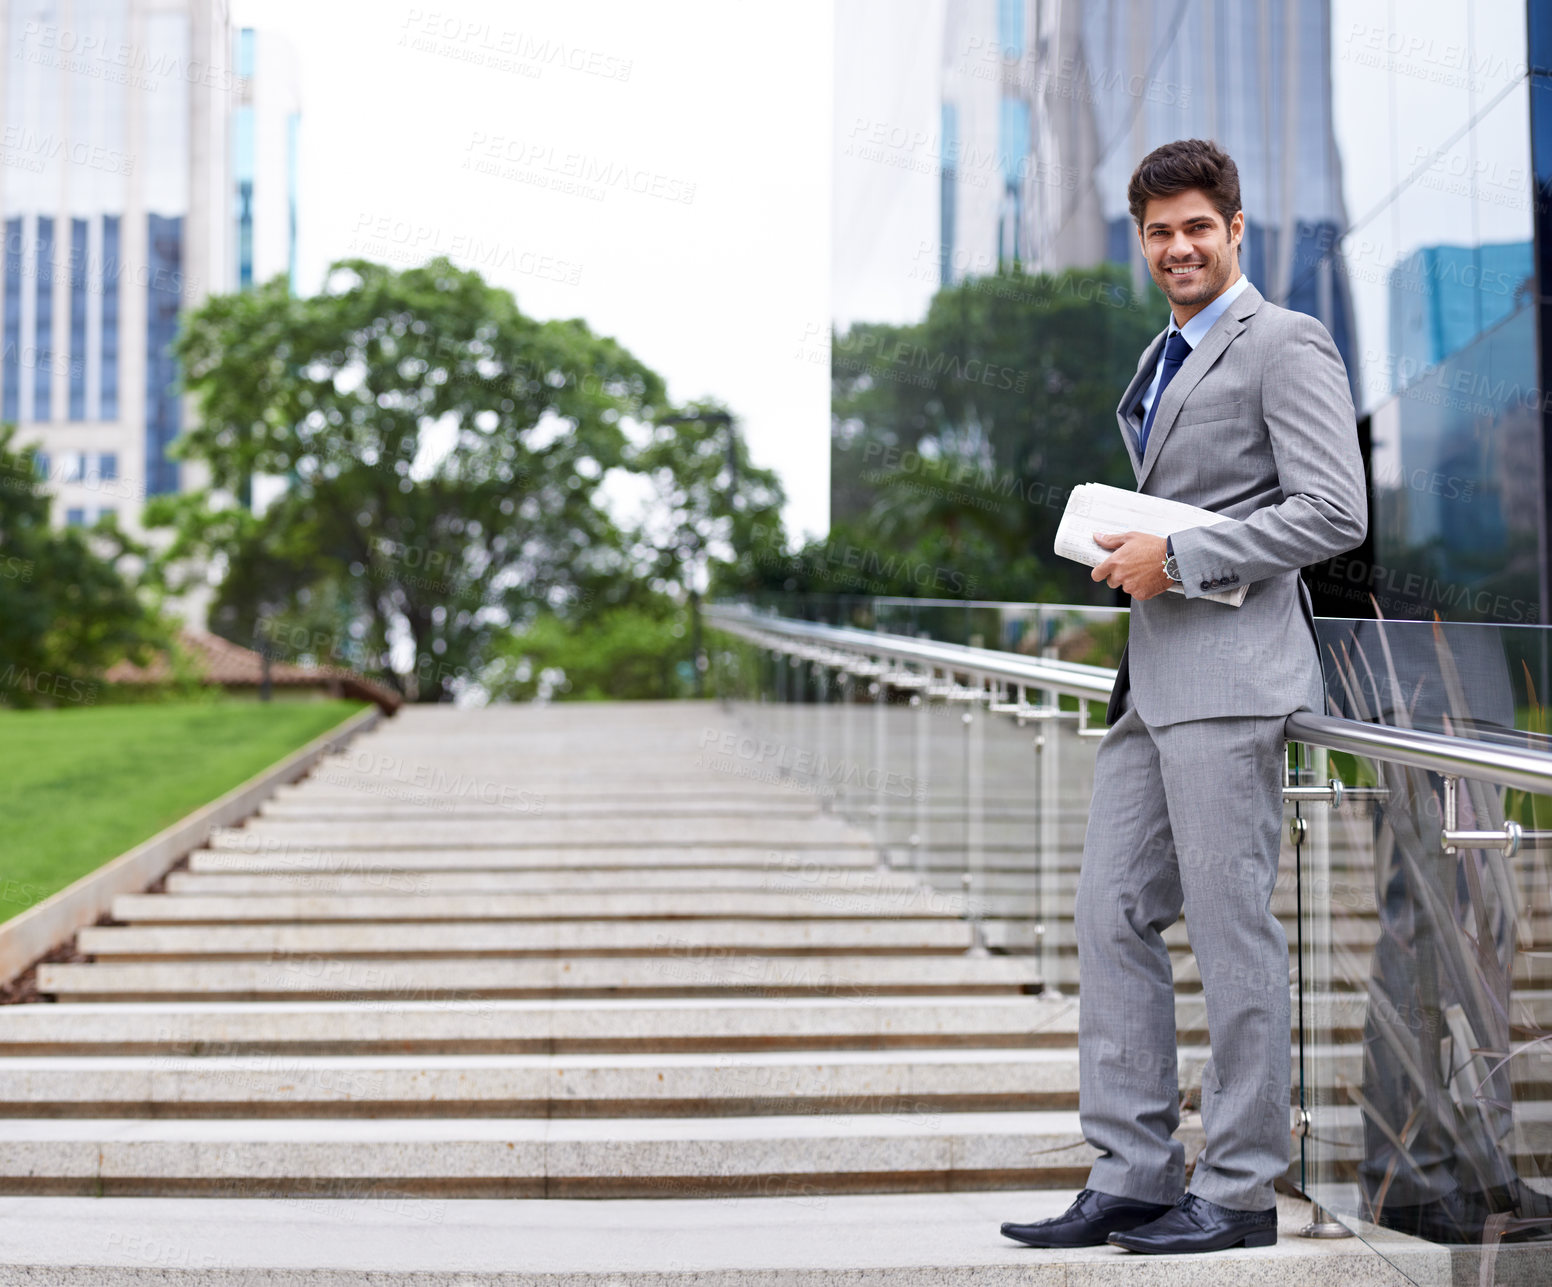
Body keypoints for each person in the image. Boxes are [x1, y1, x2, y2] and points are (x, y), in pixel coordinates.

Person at [1000, 138, 1367, 1255]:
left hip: (1232, 678)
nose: (1177, 247)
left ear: (1235, 229)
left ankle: (1244, 1187)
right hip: (1147, 683)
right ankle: (1135, 1172)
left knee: (1229, 931)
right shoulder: (1161, 355)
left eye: (1196, 227)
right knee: (1107, 911)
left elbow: (1331, 511)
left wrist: (1183, 558)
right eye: (1157, 232)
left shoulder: (1285, 344)